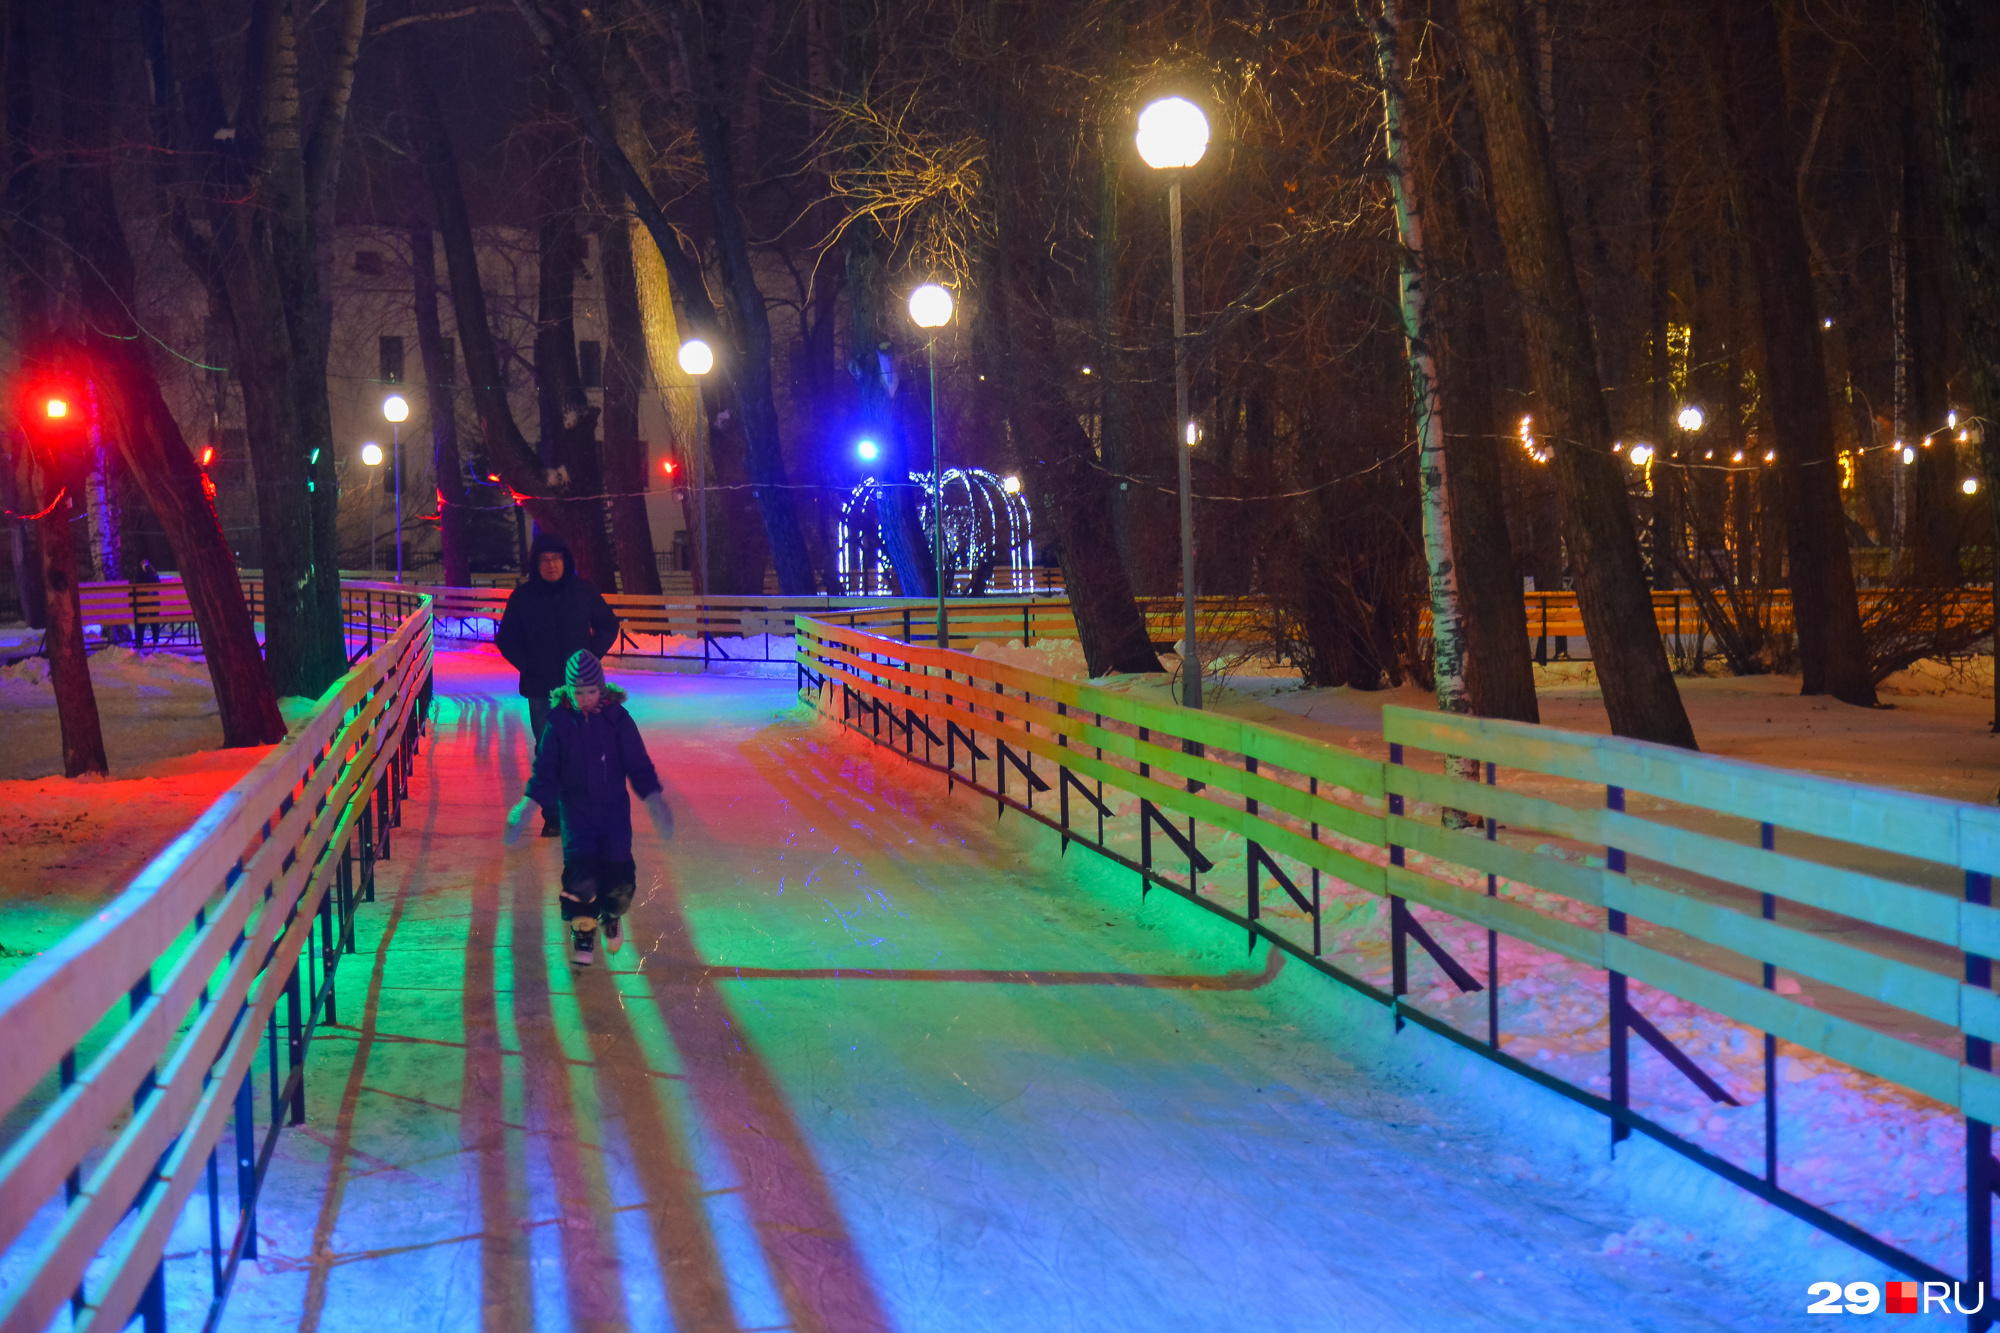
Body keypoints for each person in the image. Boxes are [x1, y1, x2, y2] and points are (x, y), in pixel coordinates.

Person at [504, 651, 674, 966]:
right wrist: (528, 804)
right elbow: (545, 770)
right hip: (577, 814)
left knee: (618, 874)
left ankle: (611, 915)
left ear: (602, 689)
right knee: (581, 874)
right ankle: (583, 931)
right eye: (577, 692)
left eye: (590, 691)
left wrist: (653, 798)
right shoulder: (558, 723)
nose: (583, 698)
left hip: (614, 815)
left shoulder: (617, 720)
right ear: (568, 690)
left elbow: (637, 764)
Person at [495, 531, 619, 835]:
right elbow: (507, 639)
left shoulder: (583, 592)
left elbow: (607, 623)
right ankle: (553, 815)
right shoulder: (523, 598)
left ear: (567, 561)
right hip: (541, 690)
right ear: (535, 564)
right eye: (545, 560)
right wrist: (529, 665)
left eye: (557, 559)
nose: (551, 565)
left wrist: (591, 655)